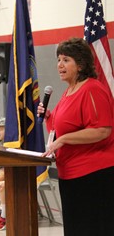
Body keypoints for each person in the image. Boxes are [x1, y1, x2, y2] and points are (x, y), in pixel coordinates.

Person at [37, 37, 114, 236]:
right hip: (70, 173)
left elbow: (102, 130)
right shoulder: (69, 91)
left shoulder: (92, 89)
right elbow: (62, 128)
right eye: (58, 60)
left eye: (66, 60)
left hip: (93, 175)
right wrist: (48, 116)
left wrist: (63, 140)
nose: (59, 65)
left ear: (80, 64)